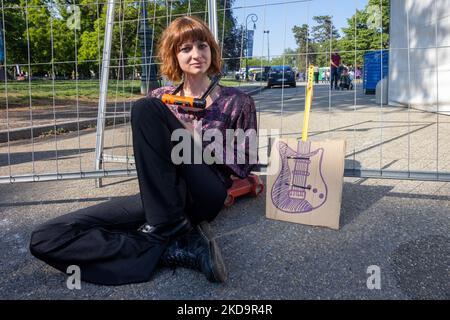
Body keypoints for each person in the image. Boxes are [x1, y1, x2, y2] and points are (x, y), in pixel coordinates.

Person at [29, 16, 257, 286]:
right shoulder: (160, 97)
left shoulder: (238, 101)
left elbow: (245, 163)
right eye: (185, 49)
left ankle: (162, 233)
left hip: (205, 192)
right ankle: (170, 247)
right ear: (174, 55)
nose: (196, 54)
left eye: (202, 46)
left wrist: (197, 139)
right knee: (47, 236)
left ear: (212, 50)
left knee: (144, 108)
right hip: (161, 199)